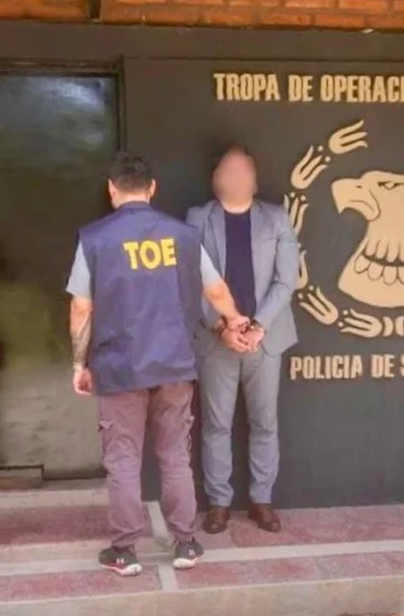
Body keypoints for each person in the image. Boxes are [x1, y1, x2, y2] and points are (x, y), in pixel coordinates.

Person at [66, 151, 248, 577]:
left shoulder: (94, 238)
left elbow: (81, 307)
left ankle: (125, 551)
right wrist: (236, 320)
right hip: (175, 364)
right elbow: (215, 290)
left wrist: (79, 362)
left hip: (120, 367)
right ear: (152, 188)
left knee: (123, 461)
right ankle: (186, 543)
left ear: (112, 189)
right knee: (174, 457)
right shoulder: (183, 235)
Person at [187, 146, 298, 535]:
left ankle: (261, 500)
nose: (235, 176)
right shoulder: (198, 219)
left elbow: (287, 280)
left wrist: (259, 325)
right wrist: (223, 327)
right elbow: (191, 280)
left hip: (265, 341)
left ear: (255, 178)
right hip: (216, 340)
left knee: (264, 423)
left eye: (243, 169)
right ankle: (218, 504)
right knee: (215, 425)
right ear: (214, 177)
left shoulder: (277, 218)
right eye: (227, 169)